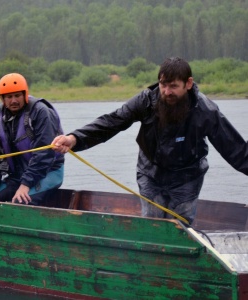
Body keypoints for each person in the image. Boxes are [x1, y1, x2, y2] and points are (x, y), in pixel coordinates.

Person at [52, 57, 248, 224]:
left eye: (173, 86)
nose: (167, 92)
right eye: (163, 85)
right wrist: (74, 138)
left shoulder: (206, 111)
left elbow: (234, 149)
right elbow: (112, 122)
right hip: (150, 173)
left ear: (188, 84)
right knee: (153, 223)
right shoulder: (146, 101)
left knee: (181, 228)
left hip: (188, 176)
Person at [0, 73, 64, 205]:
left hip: (48, 172)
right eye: (9, 97)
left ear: (25, 94)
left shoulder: (41, 112)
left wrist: (25, 184)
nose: (13, 100)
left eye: (17, 95)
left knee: (21, 202)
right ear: (3, 99)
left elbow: (44, 154)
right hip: (18, 176)